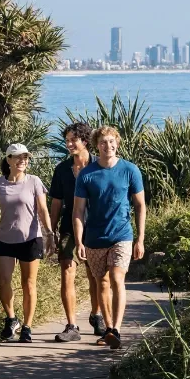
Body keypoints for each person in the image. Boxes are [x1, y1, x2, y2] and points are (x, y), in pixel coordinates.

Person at [72, 126, 146, 350]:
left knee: (116, 277)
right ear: (97, 145)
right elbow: (77, 211)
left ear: (117, 143)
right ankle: (108, 328)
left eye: (112, 141)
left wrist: (140, 238)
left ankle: (116, 330)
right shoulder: (87, 174)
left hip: (121, 234)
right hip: (94, 237)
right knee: (101, 283)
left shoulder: (130, 170)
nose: (108, 146)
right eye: (103, 142)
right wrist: (79, 241)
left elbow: (140, 205)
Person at [0, 143, 54, 343]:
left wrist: (49, 234)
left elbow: (43, 210)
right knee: (2, 281)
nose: (23, 161)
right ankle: (11, 319)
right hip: (5, 238)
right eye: (18, 157)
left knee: (28, 283)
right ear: (9, 160)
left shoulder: (34, 181)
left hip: (30, 239)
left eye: (26, 158)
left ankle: (27, 327)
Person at [48, 122, 103, 342]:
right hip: (69, 227)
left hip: (95, 227)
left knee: (96, 275)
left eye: (73, 140)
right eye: (67, 140)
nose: (69, 144)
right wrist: (50, 232)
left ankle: (96, 315)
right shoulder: (62, 169)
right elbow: (56, 203)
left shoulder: (99, 166)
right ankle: (71, 326)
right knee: (67, 271)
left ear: (85, 141)